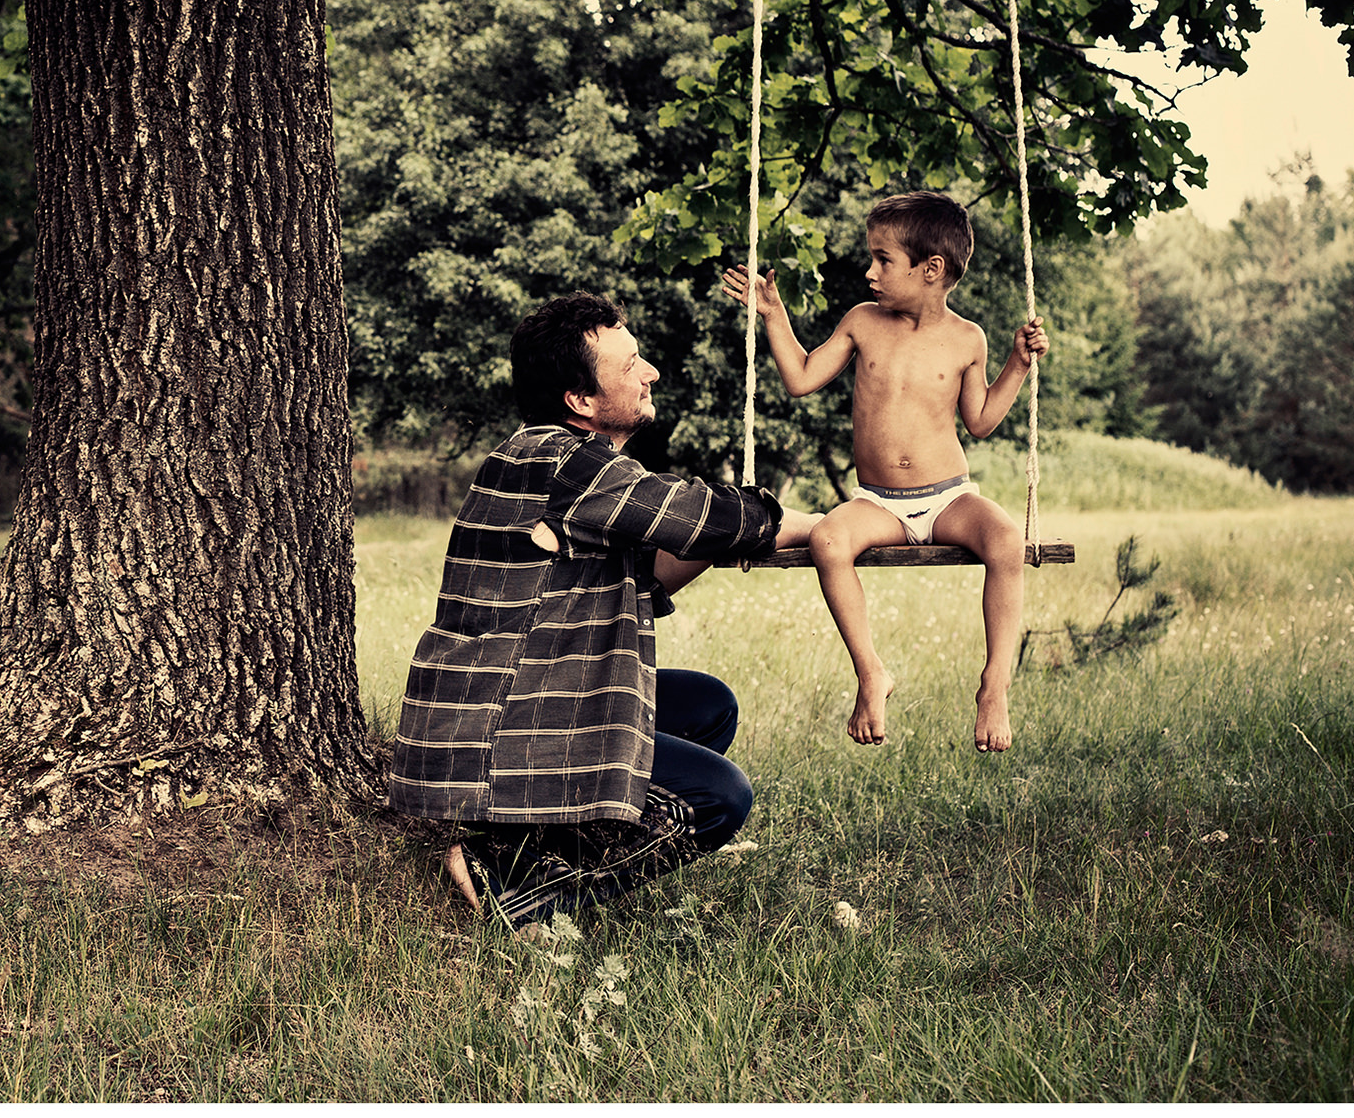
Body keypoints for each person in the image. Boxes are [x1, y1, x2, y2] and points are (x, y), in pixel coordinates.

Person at [388, 292, 816, 933]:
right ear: (581, 400)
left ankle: (541, 840)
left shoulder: (552, 460)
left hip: (505, 711)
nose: (651, 373)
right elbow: (713, 517)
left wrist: (712, 538)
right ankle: (505, 880)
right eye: (631, 364)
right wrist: (828, 526)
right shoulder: (565, 461)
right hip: (495, 734)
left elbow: (656, 569)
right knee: (718, 796)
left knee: (707, 706)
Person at [721, 189, 1048, 754]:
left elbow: (981, 421)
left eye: (883, 260)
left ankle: (995, 684)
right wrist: (773, 315)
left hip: (948, 497)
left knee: (1004, 538)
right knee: (828, 538)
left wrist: (1018, 364)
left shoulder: (967, 338)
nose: (870, 272)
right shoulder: (863, 322)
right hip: (879, 504)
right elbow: (801, 378)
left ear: (931, 269)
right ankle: (871, 672)